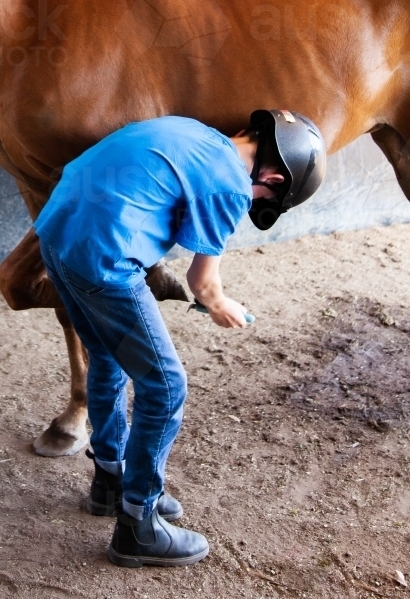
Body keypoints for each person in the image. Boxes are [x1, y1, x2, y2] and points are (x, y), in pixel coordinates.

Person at [34, 109, 326, 569]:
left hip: (56, 235)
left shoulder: (195, 131)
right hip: (103, 257)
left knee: (108, 359)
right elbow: (203, 285)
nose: (252, 202)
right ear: (271, 177)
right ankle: (139, 525)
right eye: (263, 199)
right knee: (165, 386)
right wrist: (222, 305)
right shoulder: (231, 184)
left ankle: (110, 481)